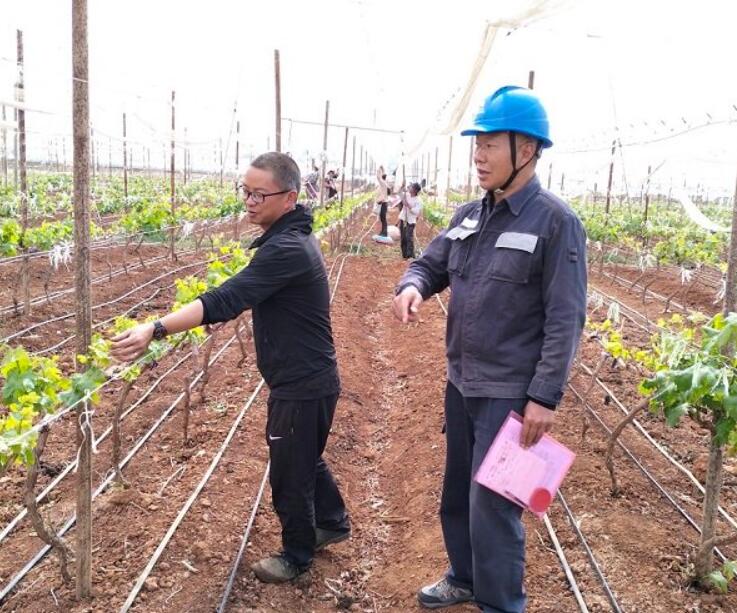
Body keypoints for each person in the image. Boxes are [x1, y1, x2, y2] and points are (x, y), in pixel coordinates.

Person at [110, 152, 350, 584]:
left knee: (289, 472)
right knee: (303, 456)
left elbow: (225, 299)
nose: (250, 201)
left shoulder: (287, 250)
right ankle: (331, 521)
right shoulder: (290, 239)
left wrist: (156, 328)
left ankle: (297, 555)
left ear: (289, 197)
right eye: (246, 191)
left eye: (260, 194)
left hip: (302, 382)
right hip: (308, 378)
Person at [392, 86, 587, 612]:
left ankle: (502, 604)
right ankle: (465, 576)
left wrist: (544, 398)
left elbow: (566, 318)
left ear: (526, 150)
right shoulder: (467, 216)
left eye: (489, 145)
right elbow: (430, 264)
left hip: (512, 396)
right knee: (457, 493)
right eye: (476, 144)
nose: (478, 155)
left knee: (494, 506)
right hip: (462, 383)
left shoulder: (554, 221)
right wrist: (411, 286)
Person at [397, 182, 422, 259]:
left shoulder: (418, 200)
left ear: (415, 190)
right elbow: (400, 194)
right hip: (403, 219)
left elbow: (416, 211)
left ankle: (410, 256)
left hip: (410, 221)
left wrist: (409, 206)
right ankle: (404, 255)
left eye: (411, 187)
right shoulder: (406, 195)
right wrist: (402, 187)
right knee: (403, 238)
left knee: (409, 238)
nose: (410, 188)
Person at [375, 165, 390, 237]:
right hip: (383, 203)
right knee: (382, 218)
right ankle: (383, 231)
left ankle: (384, 232)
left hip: (384, 203)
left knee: (383, 218)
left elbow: (378, 178)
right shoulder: (384, 184)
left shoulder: (383, 183)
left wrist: (379, 170)